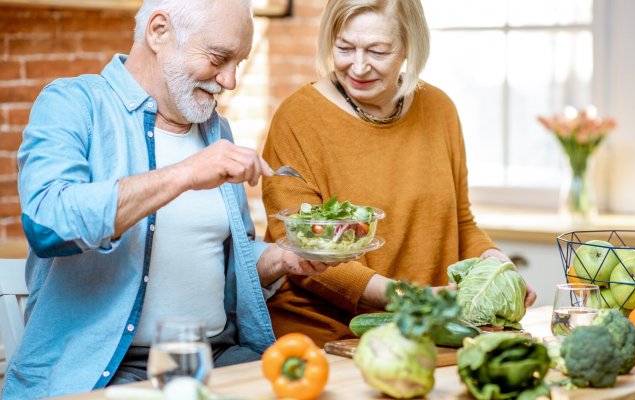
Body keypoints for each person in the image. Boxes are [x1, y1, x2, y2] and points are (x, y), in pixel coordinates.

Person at [3, 0, 330, 398]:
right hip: (104, 370)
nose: (230, 81)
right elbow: (48, 223)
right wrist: (185, 174)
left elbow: (221, 258)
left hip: (217, 357)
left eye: (239, 63)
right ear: (159, 32)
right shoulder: (73, 104)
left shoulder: (216, 130)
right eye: (218, 58)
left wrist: (280, 259)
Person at [261, 0, 537, 347]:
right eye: (344, 47)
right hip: (330, 338)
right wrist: (409, 298)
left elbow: (460, 222)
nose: (358, 67)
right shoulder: (298, 118)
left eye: (378, 51)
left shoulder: (439, 110)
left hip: (426, 331)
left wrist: (498, 268)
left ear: (409, 45)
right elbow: (302, 251)